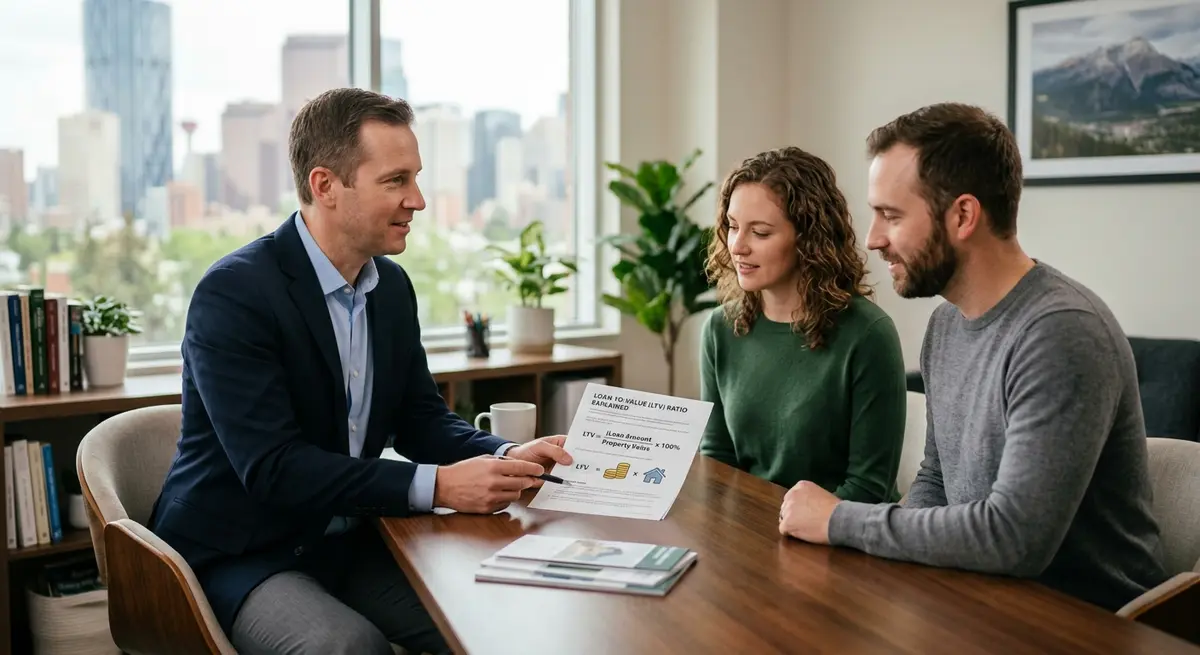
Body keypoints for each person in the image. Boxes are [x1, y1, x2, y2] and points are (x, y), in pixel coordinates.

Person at [147, 88, 572, 655]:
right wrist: (441, 485)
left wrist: (503, 457)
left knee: (489, 616)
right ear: (325, 186)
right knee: (348, 648)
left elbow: (420, 418)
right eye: (396, 181)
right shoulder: (235, 294)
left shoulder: (390, 289)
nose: (417, 199)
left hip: (348, 538)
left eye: (415, 178)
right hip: (241, 552)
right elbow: (274, 469)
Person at [777, 102, 1167, 612]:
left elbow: (1014, 538)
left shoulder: (1061, 332)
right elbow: (938, 479)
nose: (872, 239)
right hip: (977, 600)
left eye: (891, 215)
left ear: (962, 215)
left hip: (1087, 623)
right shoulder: (946, 325)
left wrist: (840, 520)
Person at [700, 146, 907, 503]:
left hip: (840, 538)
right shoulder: (720, 329)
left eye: (761, 233)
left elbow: (867, 489)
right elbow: (717, 462)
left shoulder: (868, 334)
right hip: (750, 533)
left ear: (809, 240)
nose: (738, 247)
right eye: (733, 227)